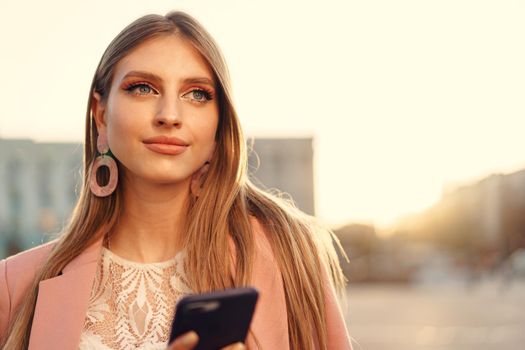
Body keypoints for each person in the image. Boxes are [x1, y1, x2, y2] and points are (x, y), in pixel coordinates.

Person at [0, 10, 352, 350]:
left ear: (218, 125)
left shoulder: (287, 251)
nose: (169, 115)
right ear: (102, 113)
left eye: (197, 94)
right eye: (143, 88)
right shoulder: (14, 284)